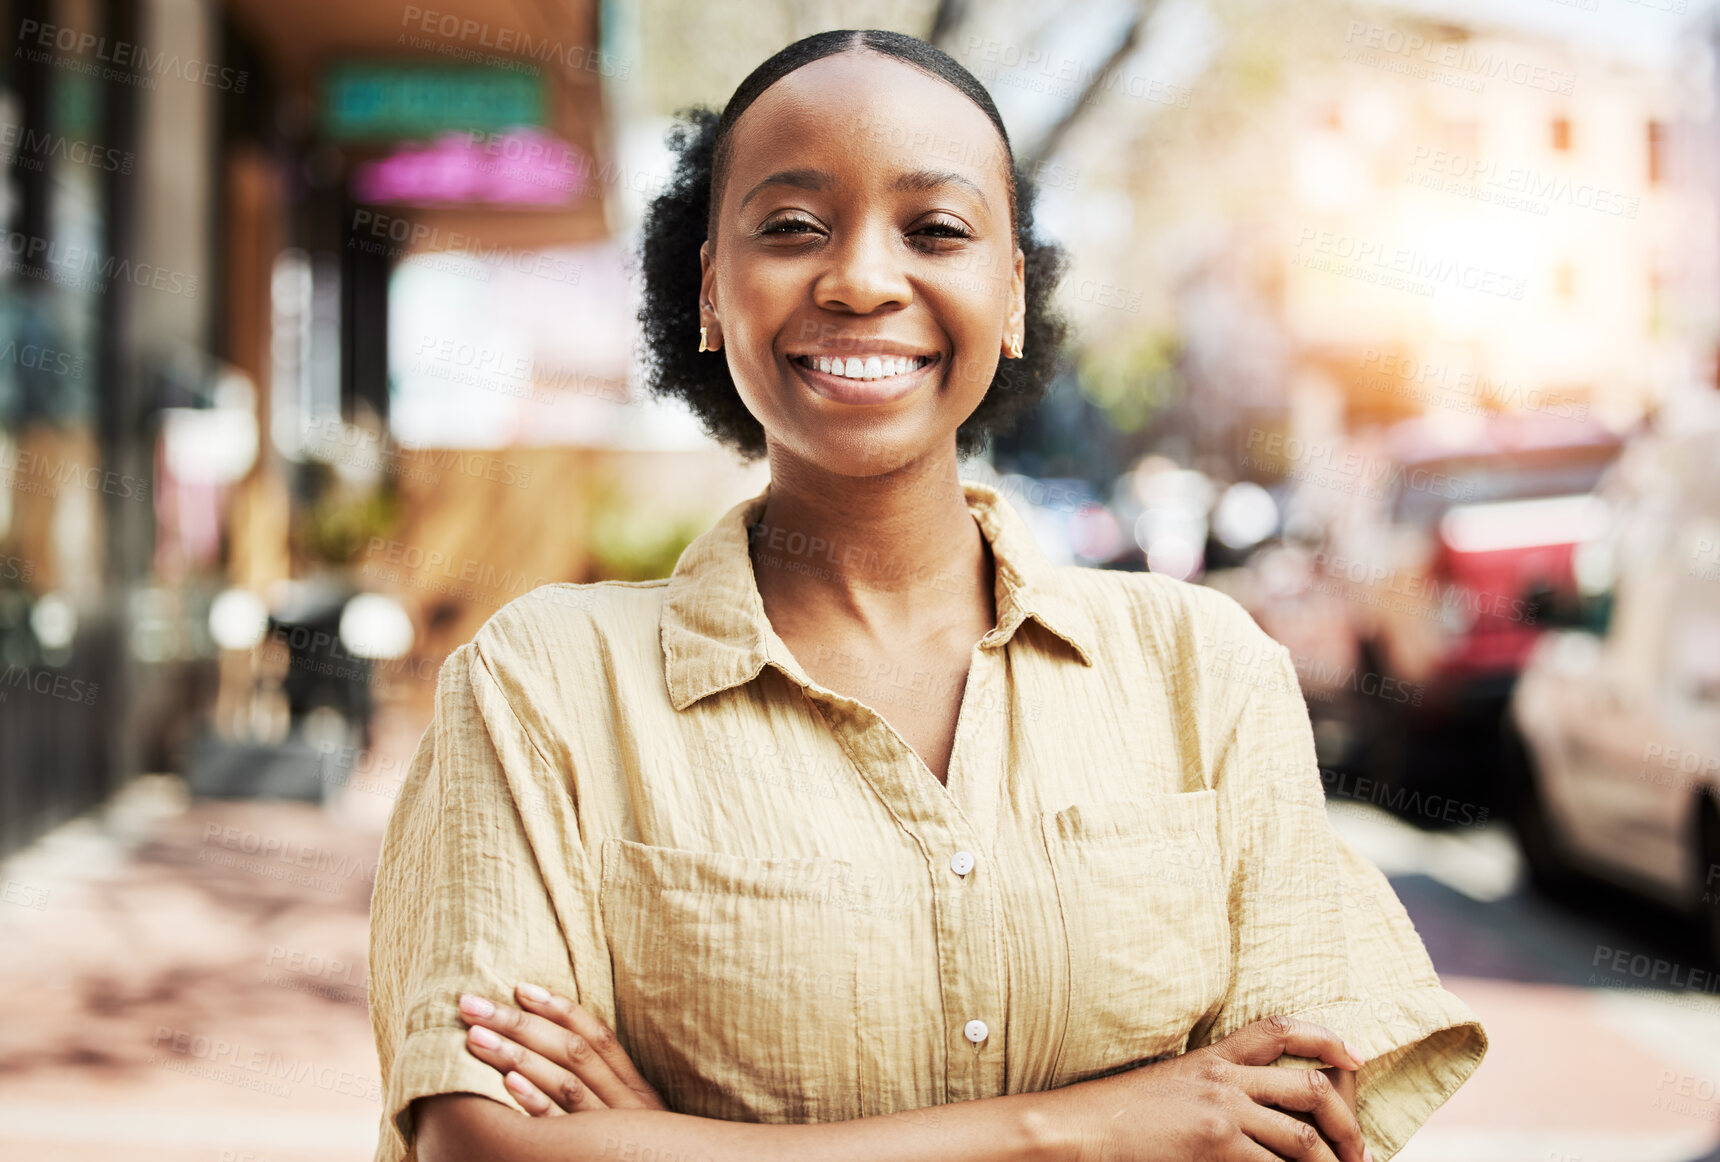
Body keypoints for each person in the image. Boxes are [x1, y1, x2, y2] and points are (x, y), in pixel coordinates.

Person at [368, 28, 1486, 1162]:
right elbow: (482, 1145)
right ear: (711, 288)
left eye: (936, 229)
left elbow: (1285, 1133)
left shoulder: (1201, 669)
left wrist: (669, 1143)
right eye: (791, 225)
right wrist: (1085, 1128)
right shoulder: (544, 684)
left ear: (1009, 295)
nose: (858, 278)